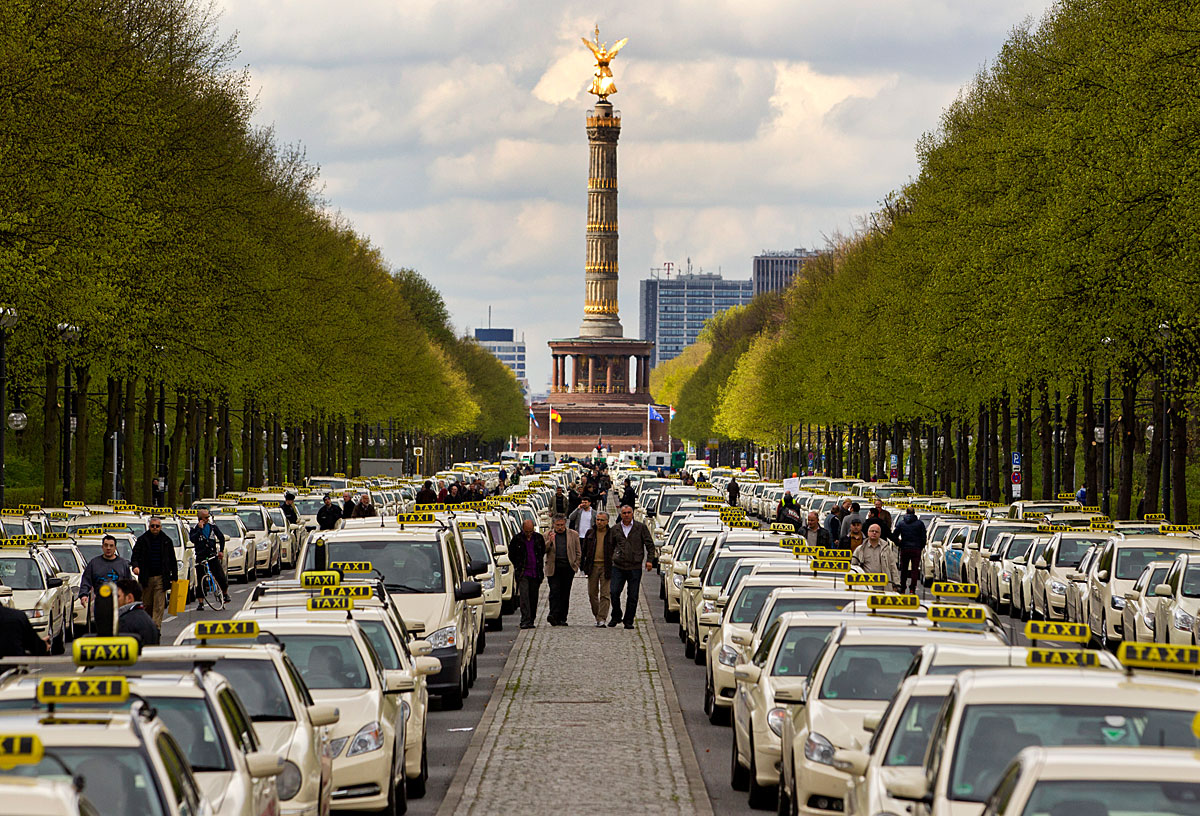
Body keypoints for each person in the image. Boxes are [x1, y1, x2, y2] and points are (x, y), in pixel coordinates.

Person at [608, 505, 655, 629]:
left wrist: (649, 561)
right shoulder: (615, 529)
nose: (627, 515)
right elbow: (610, 547)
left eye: (629, 512)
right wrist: (611, 560)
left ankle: (628, 620)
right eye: (624, 513)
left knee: (633, 595)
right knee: (613, 592)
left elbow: (650, 545)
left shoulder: (640, 528)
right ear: (621, 514)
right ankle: (616, 615)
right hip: (618, 566)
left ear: (632, 514)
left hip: (634, 566)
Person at [130, 515, 177, 628]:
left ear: (161, 527)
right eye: (152, 526)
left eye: (157, 526)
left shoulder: (166, 541)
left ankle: (156, 628)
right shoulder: (142, 540)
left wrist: (174, 577)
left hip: (161, 577)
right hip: (146, 578)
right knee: (147, 605)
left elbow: (172, 559)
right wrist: (135, 567)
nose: (155, 528)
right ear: (149, 527)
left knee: (159, 605)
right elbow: (135, 556)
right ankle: (147, 626)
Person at [508, 519, 546, 629]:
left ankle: (531, 619)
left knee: (533, 597)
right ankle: (525, 620)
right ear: (523, 530)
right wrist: (518, 566)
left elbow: (542, 552)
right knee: (524, 597)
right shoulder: (517, 539)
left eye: (531, 531)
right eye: (527, 532)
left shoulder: (538, 538)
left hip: (535, 572)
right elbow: (512, 555)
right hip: (523, 572)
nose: (529, 534)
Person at [543, 514, 580, 626]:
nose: (560, 527)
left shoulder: (573, 535)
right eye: (557, 525)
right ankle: (553, 614)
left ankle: (563, 617)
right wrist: (550, 541)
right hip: (553, 568)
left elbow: (578, 551)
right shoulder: (547, 535)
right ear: (553, 524)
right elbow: (543, 550)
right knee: (554, 591)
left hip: (568, 568)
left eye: (562, 525)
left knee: (565, 593)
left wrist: (576, 564)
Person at [78, 534, 134, 607]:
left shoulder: (123, 564)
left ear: (115, 548)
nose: (108, 548)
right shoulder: (94, 563)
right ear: (102, 547)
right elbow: (86, 581)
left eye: (111, 546)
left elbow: (129, 584)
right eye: (106, 545)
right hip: (99, 603)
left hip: (119, 603)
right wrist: (84, 595)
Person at [189, 509, 231, 607]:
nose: (208, 519)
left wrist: (221, 550)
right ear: (200, 519)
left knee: (220, 576)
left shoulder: (213, 527)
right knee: (200, 580)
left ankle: (225, 594)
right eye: (206, 517)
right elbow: (193, 539)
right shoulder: (194, 529)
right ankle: (201, 602)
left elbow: (221, 537)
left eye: (208, 517)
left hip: (212, 555)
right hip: (201, 557)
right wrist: (199, 529)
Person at [580, 510, 613, 627]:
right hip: (592, 566)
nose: (599, 522)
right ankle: (597, 615)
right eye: (598, 520)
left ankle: (602, 618)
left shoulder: (612, 534)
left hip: (606, 567)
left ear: (607, 521)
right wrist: (582, 565)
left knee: (605, 594)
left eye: (602, 520)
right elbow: (583, 551)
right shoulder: (590, 533)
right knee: (592, 593)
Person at [852, 520, 901, 591]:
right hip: (865, 587)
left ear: (880, 534)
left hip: (883, 587)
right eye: (872, 531)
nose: (874, 533)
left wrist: (896, 584)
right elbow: (854, 567)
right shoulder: (860, 549)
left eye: (876, 531)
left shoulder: (886, 549)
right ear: (868, 533)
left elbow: (892, 566)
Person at [890, 506, 927, 594]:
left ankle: (902, 588)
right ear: (914, 513)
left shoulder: (901, 523)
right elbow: (923, 537)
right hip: (916, 549)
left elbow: (894, 535)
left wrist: (899, 543)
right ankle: (912, 589)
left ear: (906, 513)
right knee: (914, 570)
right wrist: (920, 546)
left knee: (904, 569)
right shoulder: (920, 524)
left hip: (905, 548)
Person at [115, 579, 159, 646]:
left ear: (129, 598)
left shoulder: (124, 622)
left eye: (117, 596)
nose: (113, 600)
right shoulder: (148, 619)